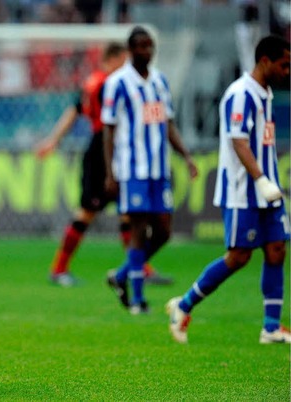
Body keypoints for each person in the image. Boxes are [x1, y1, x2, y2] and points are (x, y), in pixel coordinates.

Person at [167, 35, 291, 344]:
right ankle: (182, 307)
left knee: (277, 250)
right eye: (284, 65)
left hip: (267, 188)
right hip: (243, 190)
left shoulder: (267, 93)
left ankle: (271, 327)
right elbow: (238, 141)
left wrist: (269, 181)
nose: (288, 71)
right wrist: (260, 179)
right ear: (265, 61)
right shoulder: (239, 94)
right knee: (238, 257)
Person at [35, 42, 173, 287]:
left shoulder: (98, 82)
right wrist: (53, 140)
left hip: (116, 150)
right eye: (124, 60)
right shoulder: (107, 83)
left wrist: (53, 140)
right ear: (114, 59)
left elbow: (74, 110)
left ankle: (139, 268)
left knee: (129, 214)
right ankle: (58, 269)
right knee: (88, 212)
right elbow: (88, 115)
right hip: (103, 151)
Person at [102, 26, 198, 314]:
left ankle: (121, 276)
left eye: (150, 46)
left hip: (159, 168)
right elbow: (108, 129)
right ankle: (137, 299)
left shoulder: (160, 82)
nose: (147, 52)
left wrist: (185, 155)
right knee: (138, 228)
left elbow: (168, 123)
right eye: (142, 47)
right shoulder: (117, 83)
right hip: (133, 169)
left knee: (164, 231)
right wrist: (110, 172)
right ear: (131, 50)